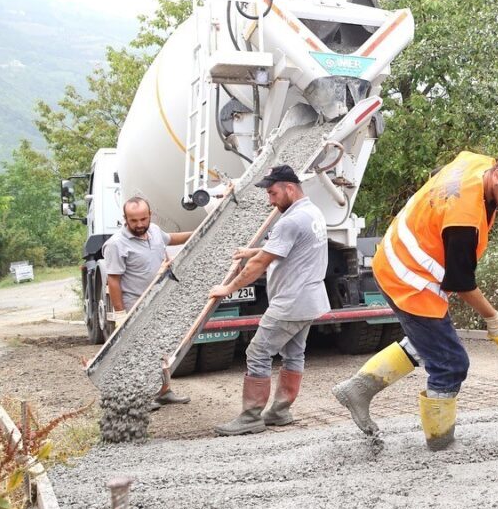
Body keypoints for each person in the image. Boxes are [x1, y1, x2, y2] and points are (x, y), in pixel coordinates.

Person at [332, 143, 498, 450]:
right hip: (408, 278)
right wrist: (494, 318)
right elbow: (461, 282)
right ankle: (440, 442)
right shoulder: (464, 219)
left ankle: (358, 390)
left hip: (396, 261)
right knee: (450, 362)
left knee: (432, 342)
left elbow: (437, 176)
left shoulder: (476, 163)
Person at [209, 165, 329, 436]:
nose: (270, 201)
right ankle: (280, 411)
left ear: (289, 188)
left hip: (291, 301)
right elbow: (293, 246)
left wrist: (227, 288)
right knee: (294, 354)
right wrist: (252, 249)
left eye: (273, 193)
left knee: (258, 352)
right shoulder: (313, 213)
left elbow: (259, 265)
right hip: (311, 300)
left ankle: (251, 417)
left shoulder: (290, 220)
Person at [102, 196, 193, 409]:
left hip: (158, 301)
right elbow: (113, 281)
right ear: (125, 219)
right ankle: (140, 397)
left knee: (160, 347)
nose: (140, 224)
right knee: (140, 352)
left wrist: (198, 232)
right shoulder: (117, 244)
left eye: (143, 218)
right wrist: (120, 314)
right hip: (136, 305)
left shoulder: (153, 230)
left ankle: (164, 391)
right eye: (134, 221)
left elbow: (170, 238)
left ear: (150, 215)